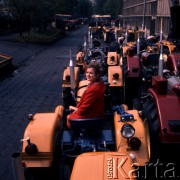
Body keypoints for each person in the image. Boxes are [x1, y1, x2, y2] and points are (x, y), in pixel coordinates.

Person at [66, 61, 106, 129]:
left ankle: (73, 136)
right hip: (97, 113)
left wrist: (76, 110)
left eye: (91, 73)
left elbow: (83, 110)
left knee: (68, 117)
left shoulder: (93, 89)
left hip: (92, 116)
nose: (88, 75)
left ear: (97, 75)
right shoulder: (100, 84)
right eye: (87, 72)